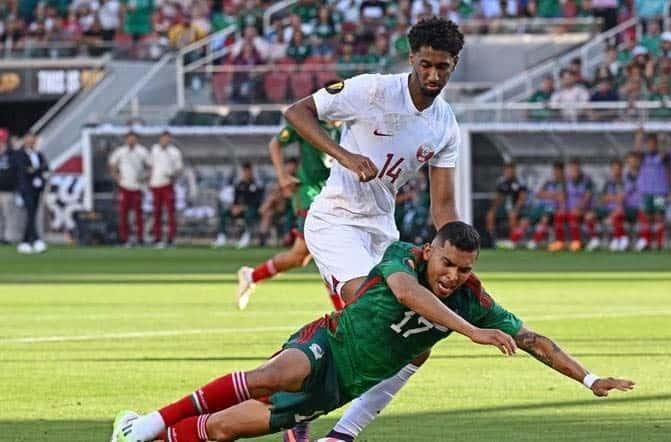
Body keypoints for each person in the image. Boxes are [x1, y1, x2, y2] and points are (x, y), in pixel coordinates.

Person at [112, 222, 635, 442]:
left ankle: (139, 435)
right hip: (329, 342)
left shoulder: (474, 300)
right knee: (274, 373)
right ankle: (153, 421)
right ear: (431, 251)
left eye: (464, 269)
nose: (454, 276)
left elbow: (533, 340)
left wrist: (588, 379)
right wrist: (470, 333)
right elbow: (410, 294)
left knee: (225, 429)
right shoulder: (401, 256)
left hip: (344, 386)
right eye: (448, 263)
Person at [274, 16, 466, 441]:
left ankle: (339, 433)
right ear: (412, 58)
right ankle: (297, 394)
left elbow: (444, 207)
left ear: (454, 65)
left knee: (418, 338)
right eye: (426, 65)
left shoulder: (445, 124)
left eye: (443, 67)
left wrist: (457, 259)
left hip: (383, 233)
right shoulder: (373, 90)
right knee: (376, 316)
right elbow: (297, 113)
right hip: (336, 221)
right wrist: (344, 155)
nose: (433, 75)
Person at [235, 118, 342, 310]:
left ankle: (251, 276)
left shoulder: (347, 126)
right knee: (329, 251)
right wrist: (282, 176)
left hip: (334, 194)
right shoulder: (309, 119)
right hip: (310, 194)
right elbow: (276, 143)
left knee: (299, 256)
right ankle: (344, 312)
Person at [108, 132, 149, 247]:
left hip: (137, 187)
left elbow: (150, 166)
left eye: (133, 139)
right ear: (126, 140)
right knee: (123, 214)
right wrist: (116, 176)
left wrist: (145, 177)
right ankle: (124, 238)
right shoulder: (121, 151)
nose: (131, 141)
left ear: (137, 140)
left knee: (138, 214)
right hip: (124, 186)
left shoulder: (142, 151)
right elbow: (112, 164)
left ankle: (140, 238)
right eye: (129, 139)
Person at [13, 133, 49, 254]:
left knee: (32, 214)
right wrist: (37, 170)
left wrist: (37, 172)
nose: (31, 141)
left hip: (37, 189)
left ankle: (25, 241)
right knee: (30, 213)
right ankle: (36, 239)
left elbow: (45, 167)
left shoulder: (38, 154)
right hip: (25, 189)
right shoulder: (19, 154)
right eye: (28, 138)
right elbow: (25, 170)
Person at [214, 162, 263, 249]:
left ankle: (246, 236)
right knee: (224, 213)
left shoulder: (256, 184)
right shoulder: (239, 184)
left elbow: (257, 202)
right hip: (240, 209)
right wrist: (234, 207)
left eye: (248, 171)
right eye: (244, 171)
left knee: (249, 214)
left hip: (252, 209)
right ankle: (222, 237)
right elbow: (236, 200)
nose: (246, 173)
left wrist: (243, 207)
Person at [635, 131, 670, 251]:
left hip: (660, 191)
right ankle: (647, 241)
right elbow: (637, 152)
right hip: (647, 192)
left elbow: (664, 153)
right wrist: (639, 138)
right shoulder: (643, 157)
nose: (651, 146)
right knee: (648, 217)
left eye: (653, 144)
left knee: (659, 216)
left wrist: (662, 141)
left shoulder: (660, 156)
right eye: (648, 144)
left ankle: (660, 242)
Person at [148, 131, 183, 248]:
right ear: (160, 139)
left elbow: (179, 168)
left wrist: (172, 175)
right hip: (155, 184)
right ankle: (157, 238)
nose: (165, 141)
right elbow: (151, 166)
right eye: (163, 139)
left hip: (168, 184)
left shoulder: (174, 152)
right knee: (156, 213)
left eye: (167, 139)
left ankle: (171, 238)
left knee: (170, 213)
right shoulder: (154, 149)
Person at [601, 156, 643, 252]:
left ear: (622, 169)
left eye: (618, 168)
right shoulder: (608, 183)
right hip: (612, 209)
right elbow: (603, 198)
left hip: (629, 209)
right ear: (611, 169)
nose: (616, 171)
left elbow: (622, 198)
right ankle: (596, 240)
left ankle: (620, 239)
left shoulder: (625, 181)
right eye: (614, 168)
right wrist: (613, 198)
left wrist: (612, 199)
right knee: (592, 214)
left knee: (618, 214)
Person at [557, 158, 597, 252]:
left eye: (576, 168)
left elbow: (587, 197)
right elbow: (562, 196)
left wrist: (579, 207)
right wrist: (562, 207)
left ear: (579, 168)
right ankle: (559, 242)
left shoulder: (587, 181)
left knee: (574, 215)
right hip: (569, 209)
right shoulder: (566, 181)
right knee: (559, 215)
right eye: (572, 168)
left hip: (583, 209)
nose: (574, 170)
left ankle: (576, 242)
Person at [485, 162, 527, 246]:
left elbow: (522, 199)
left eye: (511, 170)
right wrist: (494, 208)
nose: (509, 172)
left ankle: (513, 240)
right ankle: (493, 239)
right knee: (490, 215)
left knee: (512, 215)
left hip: (518, 208)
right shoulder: (502, 182)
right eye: (507, 170)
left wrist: (515, 209)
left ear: (514, 171)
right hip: (504, 208)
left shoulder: (520, 182)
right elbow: (498, 198)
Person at [533, 160, 566, 250]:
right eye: (555, 171)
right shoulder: (549, 182)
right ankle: (536, 242)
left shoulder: (565, 183)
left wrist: (552, 196)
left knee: (546, 219)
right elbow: (538, 194)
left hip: (558, 209)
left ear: (562, 172)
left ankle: (539, 242)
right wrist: (553, 195)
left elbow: (563, 198)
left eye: (559, 171)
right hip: (545, 208)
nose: (556, 173)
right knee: (527, 219)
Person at [0, 134, 16, 245]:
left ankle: (8, 237)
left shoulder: (12, 155)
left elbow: (15, 172)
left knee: (8, 214)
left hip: (7, 191)